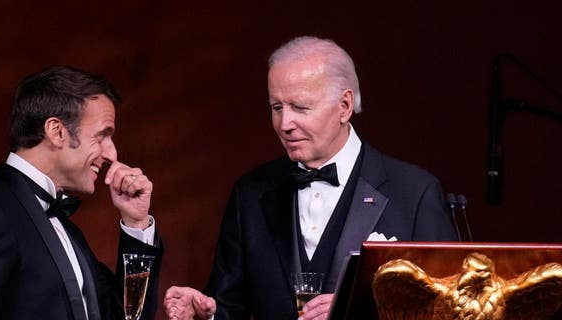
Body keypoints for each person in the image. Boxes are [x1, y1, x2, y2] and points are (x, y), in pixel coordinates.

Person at [164, 36, 457, 320]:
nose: (284, 124)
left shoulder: (416, 194)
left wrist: (358, 311)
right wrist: (207, 314)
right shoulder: (250, 194)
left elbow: (448, 310)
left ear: (344, 106)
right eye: (276, 107)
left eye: (300, 107)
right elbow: (228, 305)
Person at [0, 66, 162, 320]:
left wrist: (136, 222)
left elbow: (129, 317)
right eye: (101, 136)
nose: (112, 154)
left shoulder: (66, 230)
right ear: (56, 131)